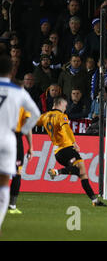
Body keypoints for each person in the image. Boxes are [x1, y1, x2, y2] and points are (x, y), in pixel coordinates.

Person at [36, 97, 105, 206]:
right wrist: (74, 143)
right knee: (80, 170)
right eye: (65, 106)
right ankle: (56, 172)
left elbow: (33, 122)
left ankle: (94, 200)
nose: (65, 108)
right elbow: (66, 130)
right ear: (59, 104)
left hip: (57, 152)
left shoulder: (45, 116)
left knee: (81, 172)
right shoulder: (61, 116)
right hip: (66, 148)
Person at [0, 54, 40, 232]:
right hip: (9, 139)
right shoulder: (18, 91)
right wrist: (22, 131)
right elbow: (37, 114)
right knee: (5, 181)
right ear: (13, 71)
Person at [8, 105, 34, 214]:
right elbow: (27, 125)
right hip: (15, 139)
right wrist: (31, 147)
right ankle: (12, 205)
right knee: (17, 172)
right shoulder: (22, 103)